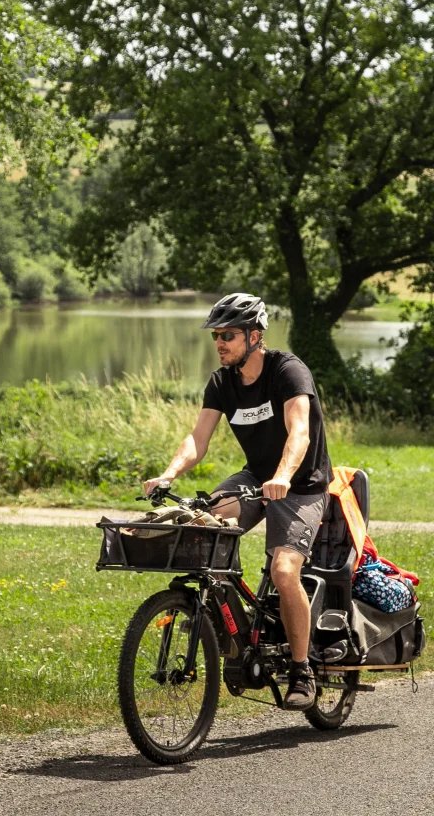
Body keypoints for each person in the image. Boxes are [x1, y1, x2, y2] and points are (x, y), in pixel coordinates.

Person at [143, 292, 332, 711]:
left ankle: (302, 669)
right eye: (216, 336)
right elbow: (198, 438)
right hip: (254, 480)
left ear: (255, 336)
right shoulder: (222, 382)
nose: (220, 343)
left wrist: (283, 476)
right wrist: (170, 472)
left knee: (285, 571)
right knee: (200, 527)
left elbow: (298, 432)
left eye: (227, 335)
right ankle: (236, 632)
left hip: (300, 484)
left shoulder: (288, 371)